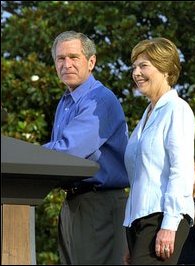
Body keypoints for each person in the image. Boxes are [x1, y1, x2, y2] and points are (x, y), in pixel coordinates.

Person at [43, 31, 129, 264]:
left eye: (73, 57)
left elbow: (69, 151)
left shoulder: (98, 99)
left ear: (91, 62)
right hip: (73, 202)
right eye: (60, 59)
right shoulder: (66, 102)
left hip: (99, 203)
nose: (66, 64)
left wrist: (29, 155)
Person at [123, 37, 195, 265]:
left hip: (162, 217)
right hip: (139, 220)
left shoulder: (177, 109)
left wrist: (169, 224)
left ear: (165, 69)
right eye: (134, 67)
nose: (136, 73)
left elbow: (182, 170)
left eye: (144, 66)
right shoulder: (146, 116)